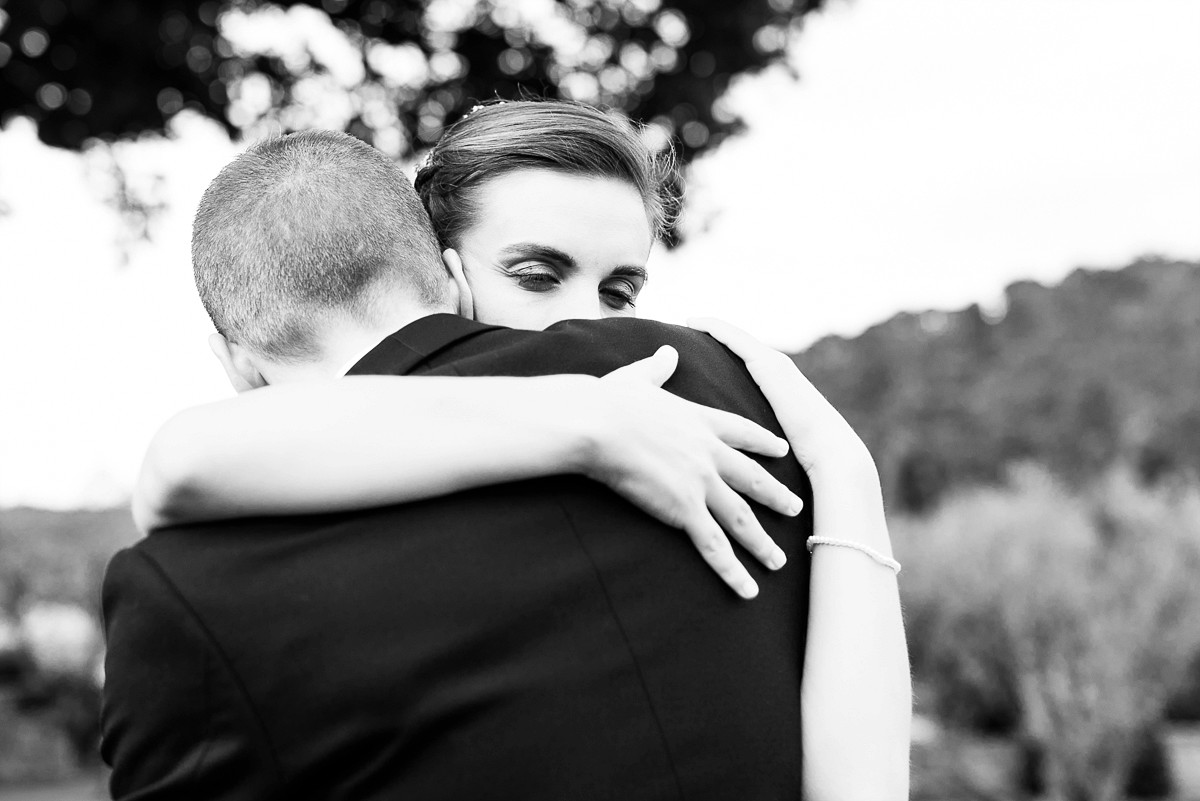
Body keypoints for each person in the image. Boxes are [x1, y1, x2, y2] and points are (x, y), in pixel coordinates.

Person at [103, 108, 909, 799]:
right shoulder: (698, 397)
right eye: (534, 274)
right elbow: (181, 458)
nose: (584, 329)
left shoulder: (702, 419)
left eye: (621, 292)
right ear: (444, 276)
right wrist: (585, 417)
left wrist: (846, 470)